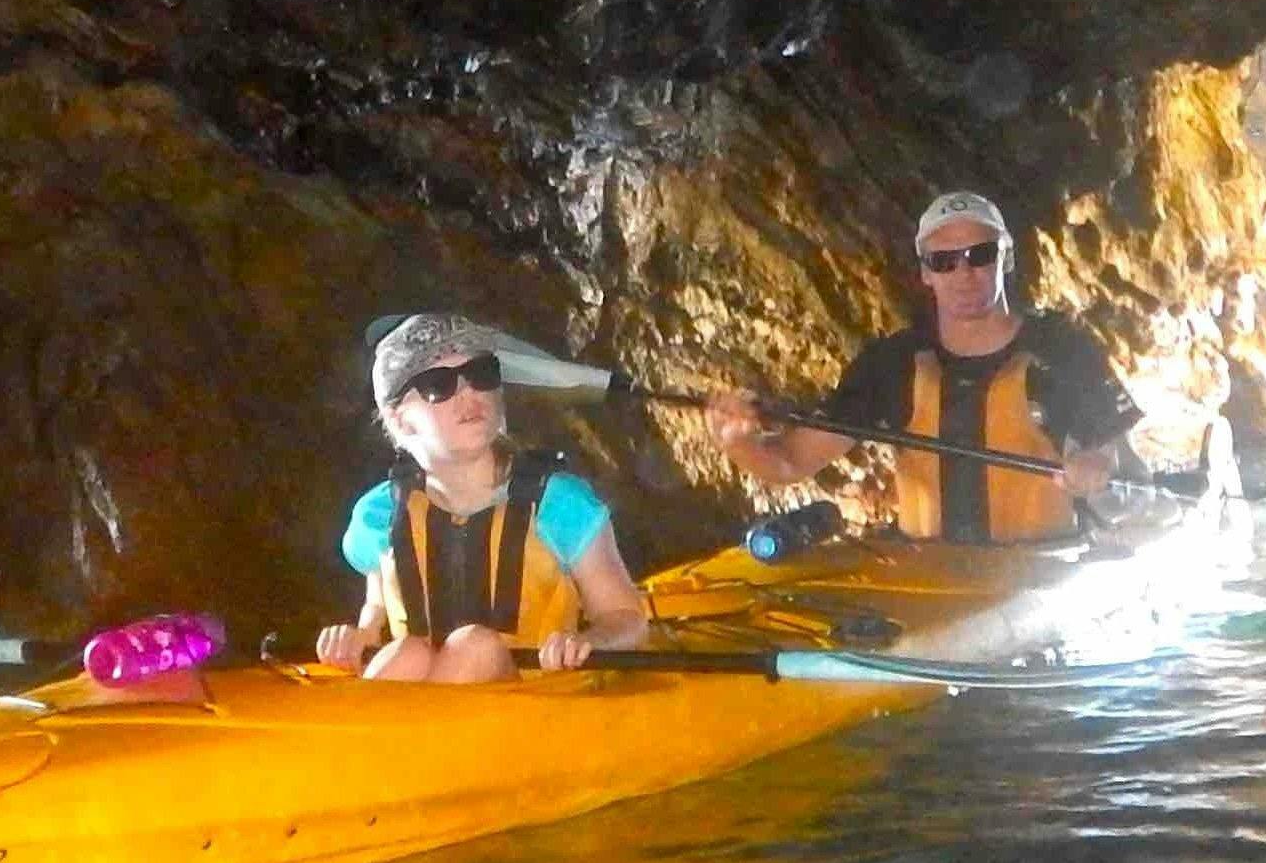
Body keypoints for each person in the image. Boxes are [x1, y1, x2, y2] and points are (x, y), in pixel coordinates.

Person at [713, 191, 1141, 542]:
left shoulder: (1065, 349)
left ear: (1005, 258)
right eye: (945, 261)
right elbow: (788, 463)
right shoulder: (893, 364)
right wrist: (738, 442)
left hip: (1043, 569)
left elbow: (1123, 472)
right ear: (926, 273)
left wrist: (1098, 469)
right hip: (932, 577)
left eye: (980, 255)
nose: (964, 273)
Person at [316, 312, 654, 679]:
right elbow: (376, 608)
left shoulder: (560, 505)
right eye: (438, 384)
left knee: (474, 646)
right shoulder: (381, 514)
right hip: (428, 697)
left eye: (481, 374)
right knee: (406, 652)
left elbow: (627, 618)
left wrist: (592, 642)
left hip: (541, 706)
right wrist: (359, 636)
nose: (469, 393)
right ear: (400, 420)